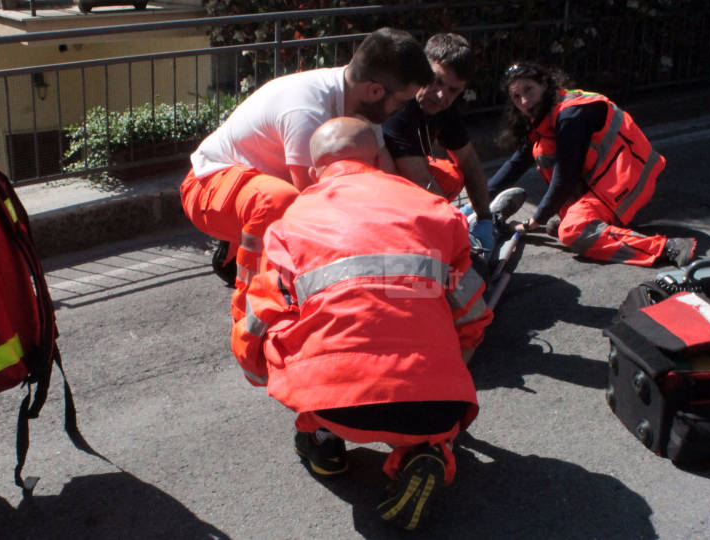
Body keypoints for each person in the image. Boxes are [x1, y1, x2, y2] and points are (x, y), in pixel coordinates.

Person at [230, 117, 491, 531]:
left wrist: (258, 371)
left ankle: (322, 442)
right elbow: (473, 312)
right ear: (379, 158)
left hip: (334, 402)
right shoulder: (436, 211)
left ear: (314, 172)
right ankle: (429, 448)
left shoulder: (291, 223)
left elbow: (260, 317)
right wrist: (454, 370)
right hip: (441, 407)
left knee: (293, 329)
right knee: (428, 322)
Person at [180, 27, 434, 323]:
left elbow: (383, 173)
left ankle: (240, 251)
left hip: (257, 183)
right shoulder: (307, 109)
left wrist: (411, 227)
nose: (401, 110)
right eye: (402, 102)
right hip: (208, 185)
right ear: (375, 90)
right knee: (282, 202)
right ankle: (251, 315)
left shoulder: (360, 99)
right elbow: (315, 207)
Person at [488, 61, 698, 267]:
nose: (524, 101)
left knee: (573, 231)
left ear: (544, 84)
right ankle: (591, 223)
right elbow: (516, 163)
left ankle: (668, 248)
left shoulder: (570, 115)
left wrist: (533, 222)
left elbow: (564, 179)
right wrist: (476, 204)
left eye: (528, 90)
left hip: (630, 178)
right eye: (516, 96)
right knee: (542, 151)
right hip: (608, 179)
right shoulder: (546, 114)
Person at [383, 33, 526, 260]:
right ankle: (461, 223)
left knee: (452, 174)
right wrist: (461, 236)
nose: (441, 96)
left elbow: (469, 161)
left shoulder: (441, 107)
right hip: (381, 195)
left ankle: (479, 218)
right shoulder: (398, 107)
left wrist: (485, 218)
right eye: (436, 81)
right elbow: (422, 183)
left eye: (453, 90)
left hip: (408, 183)